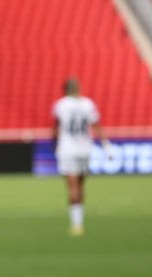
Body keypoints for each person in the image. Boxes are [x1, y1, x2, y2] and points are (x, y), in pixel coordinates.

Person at [51, 78, 111, 236]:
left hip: (68, 149)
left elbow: (55, 128)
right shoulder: (88, 104)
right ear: (78, 89)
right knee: (81, 185)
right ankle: (80, 219)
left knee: (72, 186)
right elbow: (97, 126)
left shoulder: (61, 104)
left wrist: (54, 146)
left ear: (65, 90)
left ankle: (76, 224)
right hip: (85, 148)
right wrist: (106, 147)